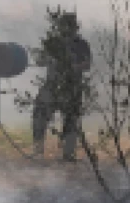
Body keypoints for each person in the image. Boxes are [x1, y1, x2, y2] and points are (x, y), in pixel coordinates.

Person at [31, 10, 92, 162]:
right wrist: (47, 59)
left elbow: (87, 64)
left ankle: (68, 154)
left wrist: (74, 66)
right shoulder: (52, 42)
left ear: (74, 28)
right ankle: (38, 150)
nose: (66, 29)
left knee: (71, 120)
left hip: (72, 87)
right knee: (39, 116)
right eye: (64, 26)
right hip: (51, 86)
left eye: (69, 26)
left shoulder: (81, 44)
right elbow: (40, 60)